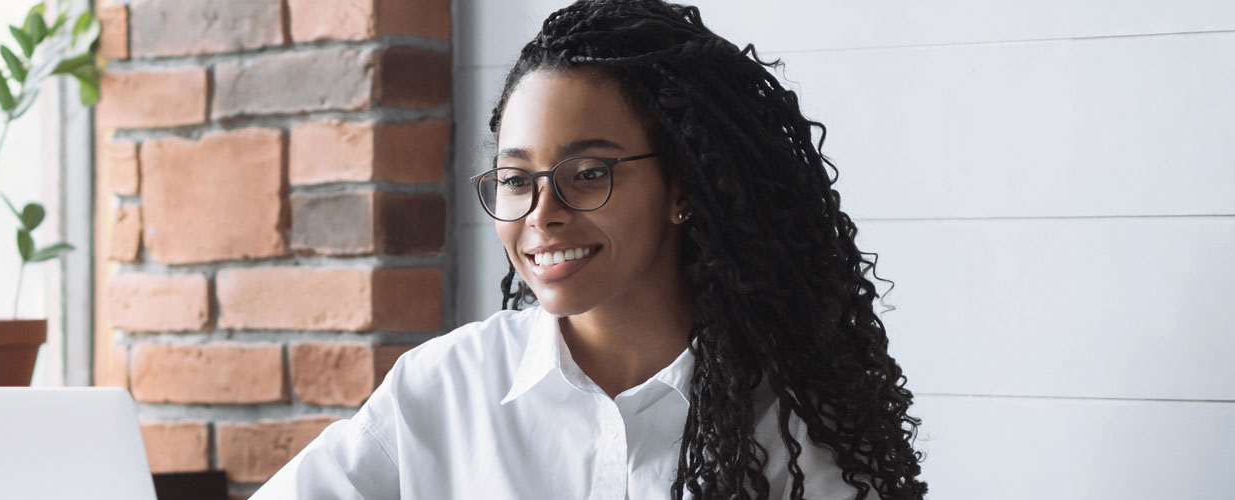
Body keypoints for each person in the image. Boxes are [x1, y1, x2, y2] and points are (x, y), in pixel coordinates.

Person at [252, 1, 927, 498]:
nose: (542, 215)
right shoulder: (445, 389)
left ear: (682, 188)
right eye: (516, 180)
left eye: (588, 175)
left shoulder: (790, 425)